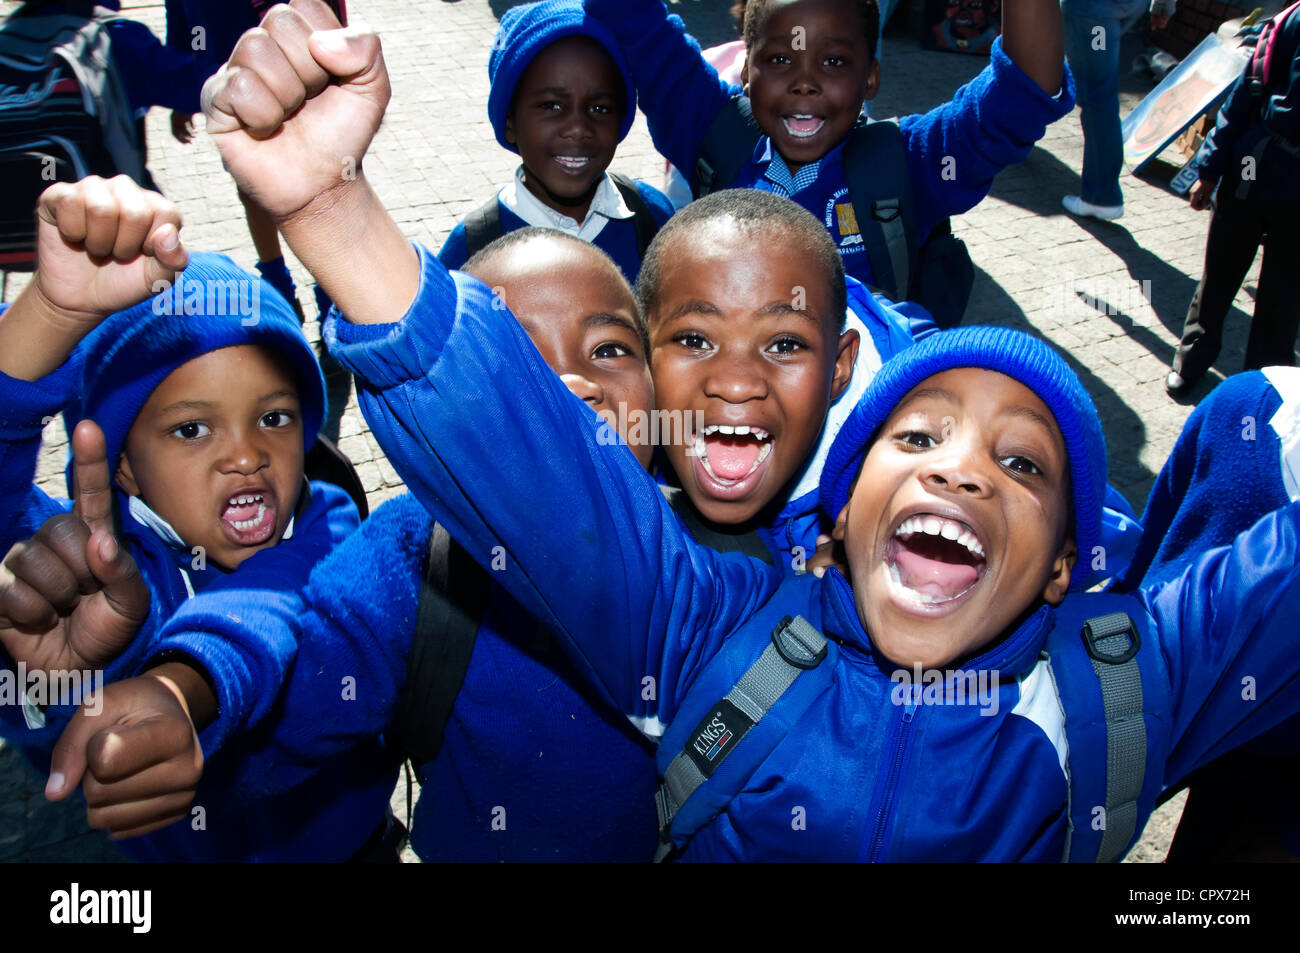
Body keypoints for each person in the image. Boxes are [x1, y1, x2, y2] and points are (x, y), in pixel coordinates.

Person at [206, 1, 1300, 861]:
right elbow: (530, 465)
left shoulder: (1118, 685)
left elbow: (1255, 557)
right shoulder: (715, 627)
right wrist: (333, 211)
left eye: (1018, 463)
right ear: (829, 529)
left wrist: (1254, 417)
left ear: (1067, 562)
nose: (962, 472)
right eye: (916, 441)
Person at [0, 175, 370, 860]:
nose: (247, 455)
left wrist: (177, 685)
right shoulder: (90, 570)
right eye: (192, 429)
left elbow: (264, 606)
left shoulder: (327, 524)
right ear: (125, 466)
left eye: (274, 417)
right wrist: (48, 313)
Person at [581, 0, 1072, 309]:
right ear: (744, 69)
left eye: (834, 61)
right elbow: (630, 19)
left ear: (872, 77)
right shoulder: (713, 133)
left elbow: (1023, 91)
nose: (805, 81)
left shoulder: (912, 163)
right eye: (778, 59)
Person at [436, 1, 675, 285]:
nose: (577, 129)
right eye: (551, 106)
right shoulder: (472, 247)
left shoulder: (650, 217)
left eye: (599, 108)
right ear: (510, 122)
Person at [1165, 2, 1300, 395]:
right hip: (1254, 165)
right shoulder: (1289, 23)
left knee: (1284, 295)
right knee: (1220, 271)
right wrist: (1207, 170)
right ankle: (1192, 358)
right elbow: (1243, 98)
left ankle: (1261, 388)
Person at [1060, 0, 1176, 220]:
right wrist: (1164, 3)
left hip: (1094, 11)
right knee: (1095, 83)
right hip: (1123, 7)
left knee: (1097, 94)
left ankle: (1101, 197)